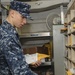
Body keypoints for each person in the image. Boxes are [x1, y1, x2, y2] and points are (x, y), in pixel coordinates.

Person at [0, 1, 41, 75]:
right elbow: (20, 72)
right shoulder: (8, 36)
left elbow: (11, 58)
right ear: (12, 14)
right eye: (23, 17)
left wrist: (27, 62)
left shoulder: (6, 30)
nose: (25, 21)